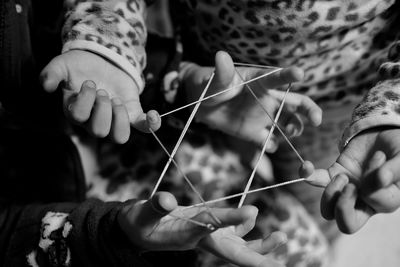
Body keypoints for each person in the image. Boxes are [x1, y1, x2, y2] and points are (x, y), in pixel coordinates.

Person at [40, 0, 400, 266]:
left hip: (344, 95)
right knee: (246, 164)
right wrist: (107, 42)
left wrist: (389, 111)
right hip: (215, 74)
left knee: (322, 190)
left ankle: (322, 233)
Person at [0, 0, 299, 266]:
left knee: (296, 241)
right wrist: (109, 233)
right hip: (63, 222)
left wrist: (181, 86)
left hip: (92, 140)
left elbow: (39, 29)